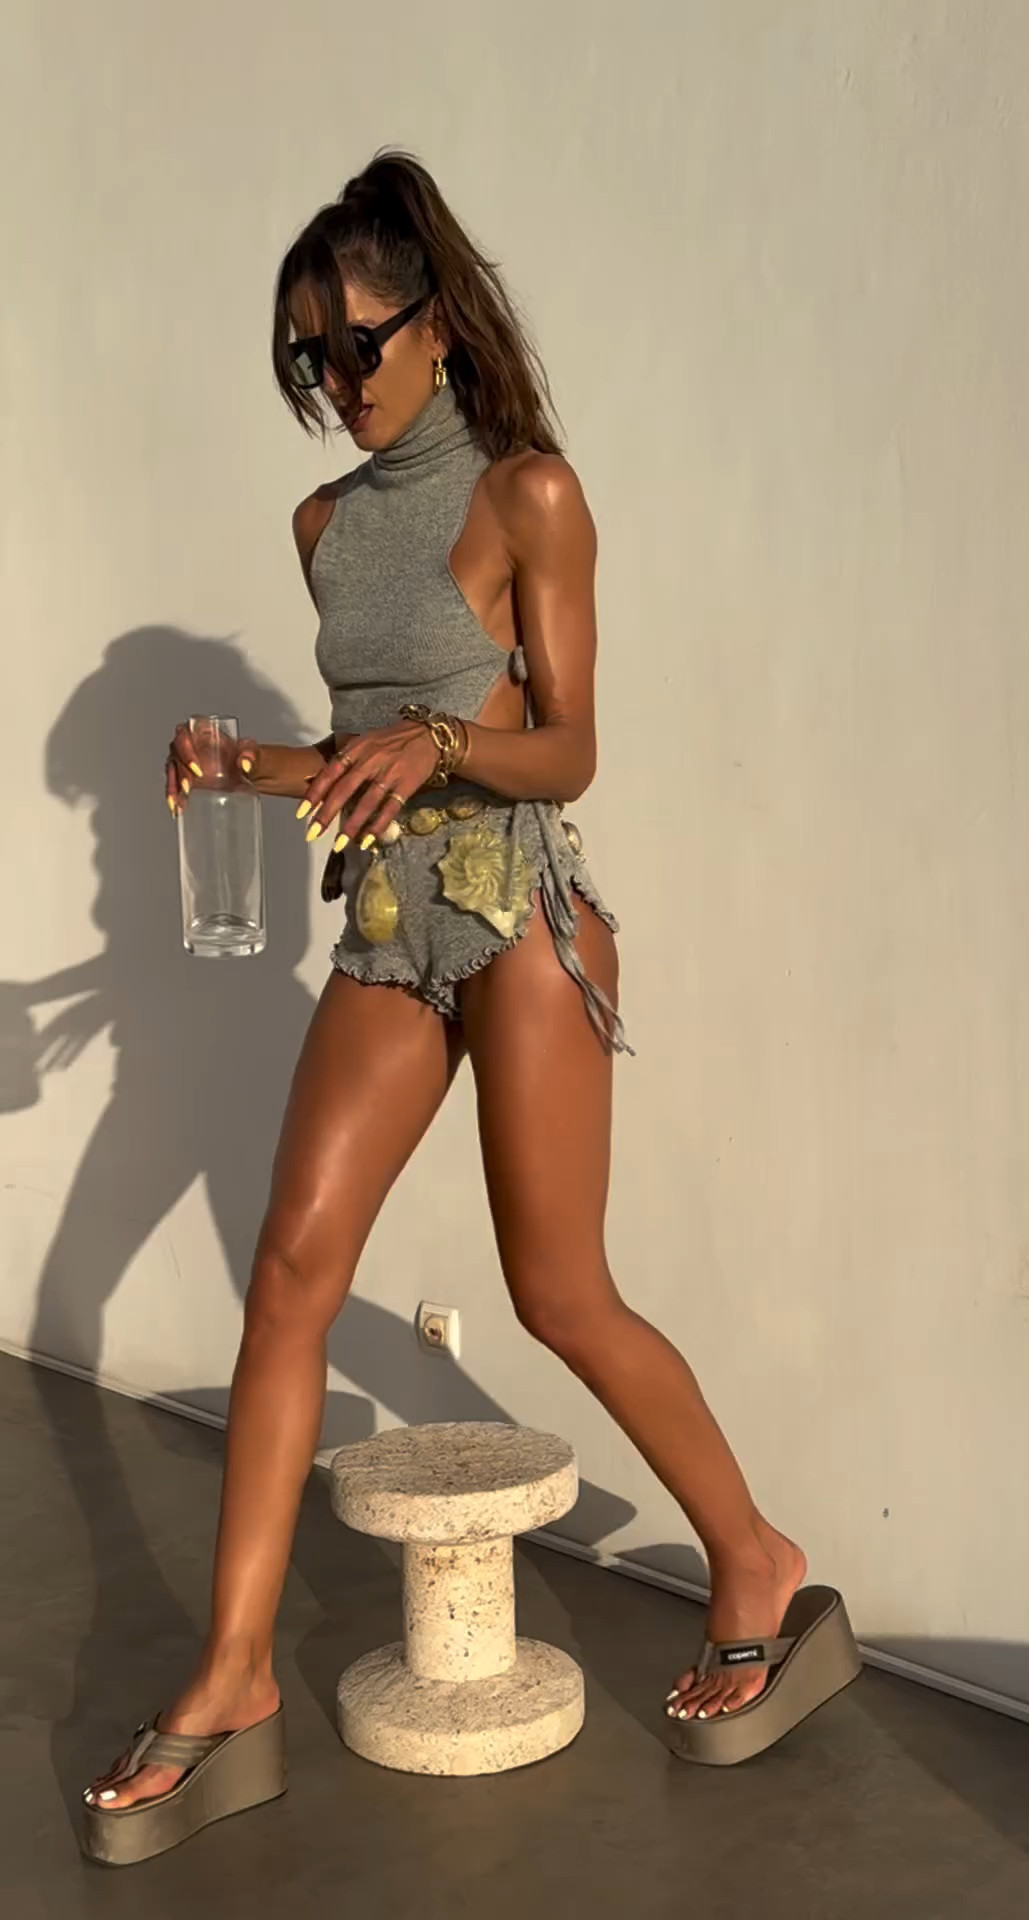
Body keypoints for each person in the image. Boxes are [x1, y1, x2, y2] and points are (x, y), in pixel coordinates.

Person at [82, 150, 808, 1849]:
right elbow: (365, 758)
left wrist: (440, 738)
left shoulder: (529, 494)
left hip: (522, 911)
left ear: (436, 328)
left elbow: (569, 746)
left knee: (558, 1289)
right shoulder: (325, 529)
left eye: (356, 346)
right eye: (307, 359)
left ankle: (758, 1560)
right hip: (393, 927)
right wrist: (243, 763)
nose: (335, 383)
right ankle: (234, 1678)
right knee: (290, 1272)